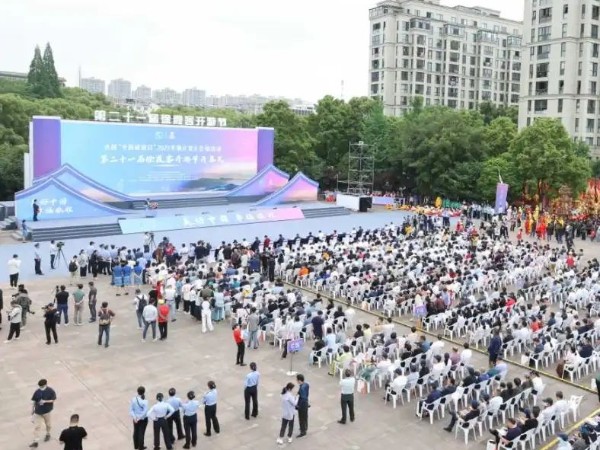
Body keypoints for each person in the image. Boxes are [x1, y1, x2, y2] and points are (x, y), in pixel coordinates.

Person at [29, 379, 57, 448]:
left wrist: (45, 401)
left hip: (47, 411)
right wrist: (32, 410)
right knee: (37, 427)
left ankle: (48, 434)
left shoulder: (50, 391)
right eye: (40, 386)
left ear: (45, 385)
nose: (41, 388)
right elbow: (34, 401)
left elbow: (53, 400)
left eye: (42, 386)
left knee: (48, 424)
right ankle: (35, 441)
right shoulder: (37, 392)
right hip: (38, 412)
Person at [129, 386, 148, 450]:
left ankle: (136, 446)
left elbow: (131, 410)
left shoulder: (133, 399)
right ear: (144, 392)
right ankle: (141, 447)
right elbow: (145, 412)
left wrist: (135, 418)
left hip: (135, 419)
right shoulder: (145, 401)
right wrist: (139, 418)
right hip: (142, 419)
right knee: (141, 433)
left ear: (137, 391)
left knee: (135, 432)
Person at [296, 373, 309, 437]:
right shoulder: (306, 384)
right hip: (306, 403)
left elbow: (303, 398)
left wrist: (298, 405)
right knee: (305, 417)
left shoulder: (302, 388)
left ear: (299, 380)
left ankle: (303, 431)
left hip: (302, 405)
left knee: (301, 418)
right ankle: (305, 427)